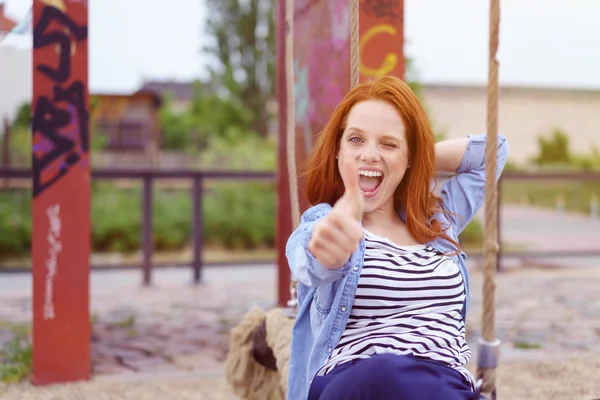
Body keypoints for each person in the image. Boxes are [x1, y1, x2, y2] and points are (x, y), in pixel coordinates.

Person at [285, 75, 509, 400]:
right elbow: (308, 258)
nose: (369, 154)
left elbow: (494, 152)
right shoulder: (326, 221)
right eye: (356, 140)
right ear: (336, 150)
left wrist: (413, 159)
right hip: (359, 380)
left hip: (444, 384)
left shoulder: (437, 223)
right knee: (385, 372)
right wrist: (328, 252)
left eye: (388, 143)